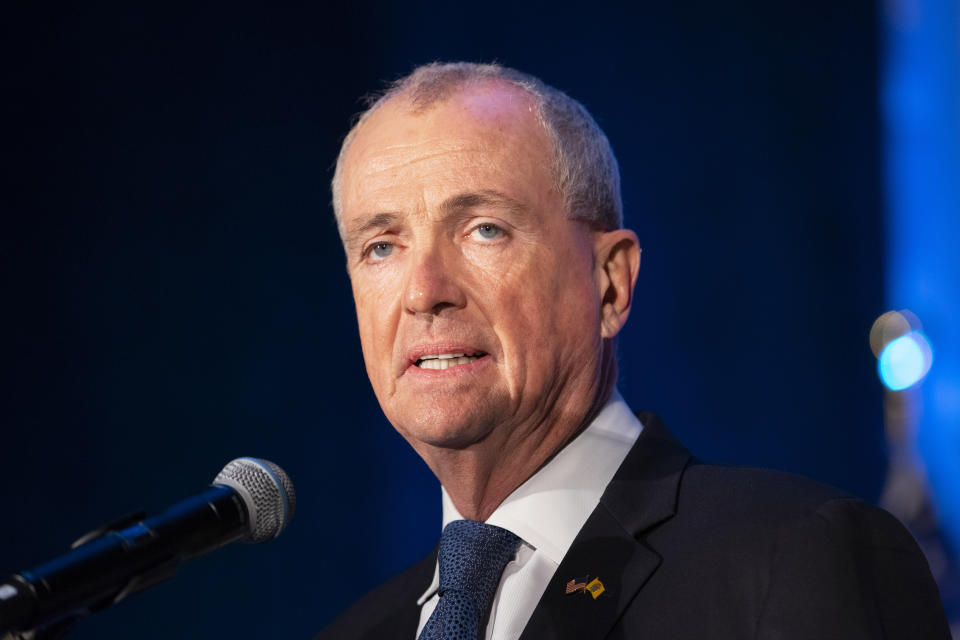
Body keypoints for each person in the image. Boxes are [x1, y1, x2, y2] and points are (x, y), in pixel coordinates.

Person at [317, 62, 950, 639]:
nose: (424, 292)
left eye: (485, 229)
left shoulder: (799, 558)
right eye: (381, 247)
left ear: (611, 282)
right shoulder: (356, 633)